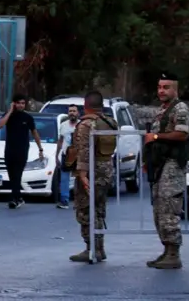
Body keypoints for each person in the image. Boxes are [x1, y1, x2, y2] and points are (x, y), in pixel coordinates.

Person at [144, 72, 189, 269]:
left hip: (172, 165)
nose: (161, 91)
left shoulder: (180, 108)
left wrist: (155, 138)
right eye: (159, 87)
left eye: (166, 87)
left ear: (175, 89)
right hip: (161, 164)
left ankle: (173, 253)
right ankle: (166, 250)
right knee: (159, 209)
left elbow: (182, 133)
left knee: (168, 207)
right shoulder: (163, 110)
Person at [69, 91, 117, 262]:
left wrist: (82, 175)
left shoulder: (86, 125)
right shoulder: (110, 122)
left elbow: (84, 152)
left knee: (85, 209)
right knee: (99, 209)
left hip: (91, 171)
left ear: (86, 105)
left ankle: (92, 248)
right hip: (107, 169)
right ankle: (99, 248)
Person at [0, 94, 44, 209]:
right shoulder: (9, 116)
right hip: (9, 150)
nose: (21, 105)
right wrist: (9, 111)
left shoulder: (27, 118)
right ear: (14, 103)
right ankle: (18, 197)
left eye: (23, 103)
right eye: (18, 103)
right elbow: (0, 125)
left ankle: (14, 200)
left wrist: (40, 149)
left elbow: (34, 133)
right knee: (12, 176)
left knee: (17, 174)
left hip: (22, 150)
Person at [55, 104, 80, 209]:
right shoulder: (63, 125)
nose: (72, 113)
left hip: (79, 155)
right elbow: (60, 141)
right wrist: (56, 155)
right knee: (64, 178)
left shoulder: (82, 125)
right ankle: (64, 200)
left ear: (78, 113)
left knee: (79, 178)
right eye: (70, 111)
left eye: (74, 111)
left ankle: (79, 201)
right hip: (66, 155)